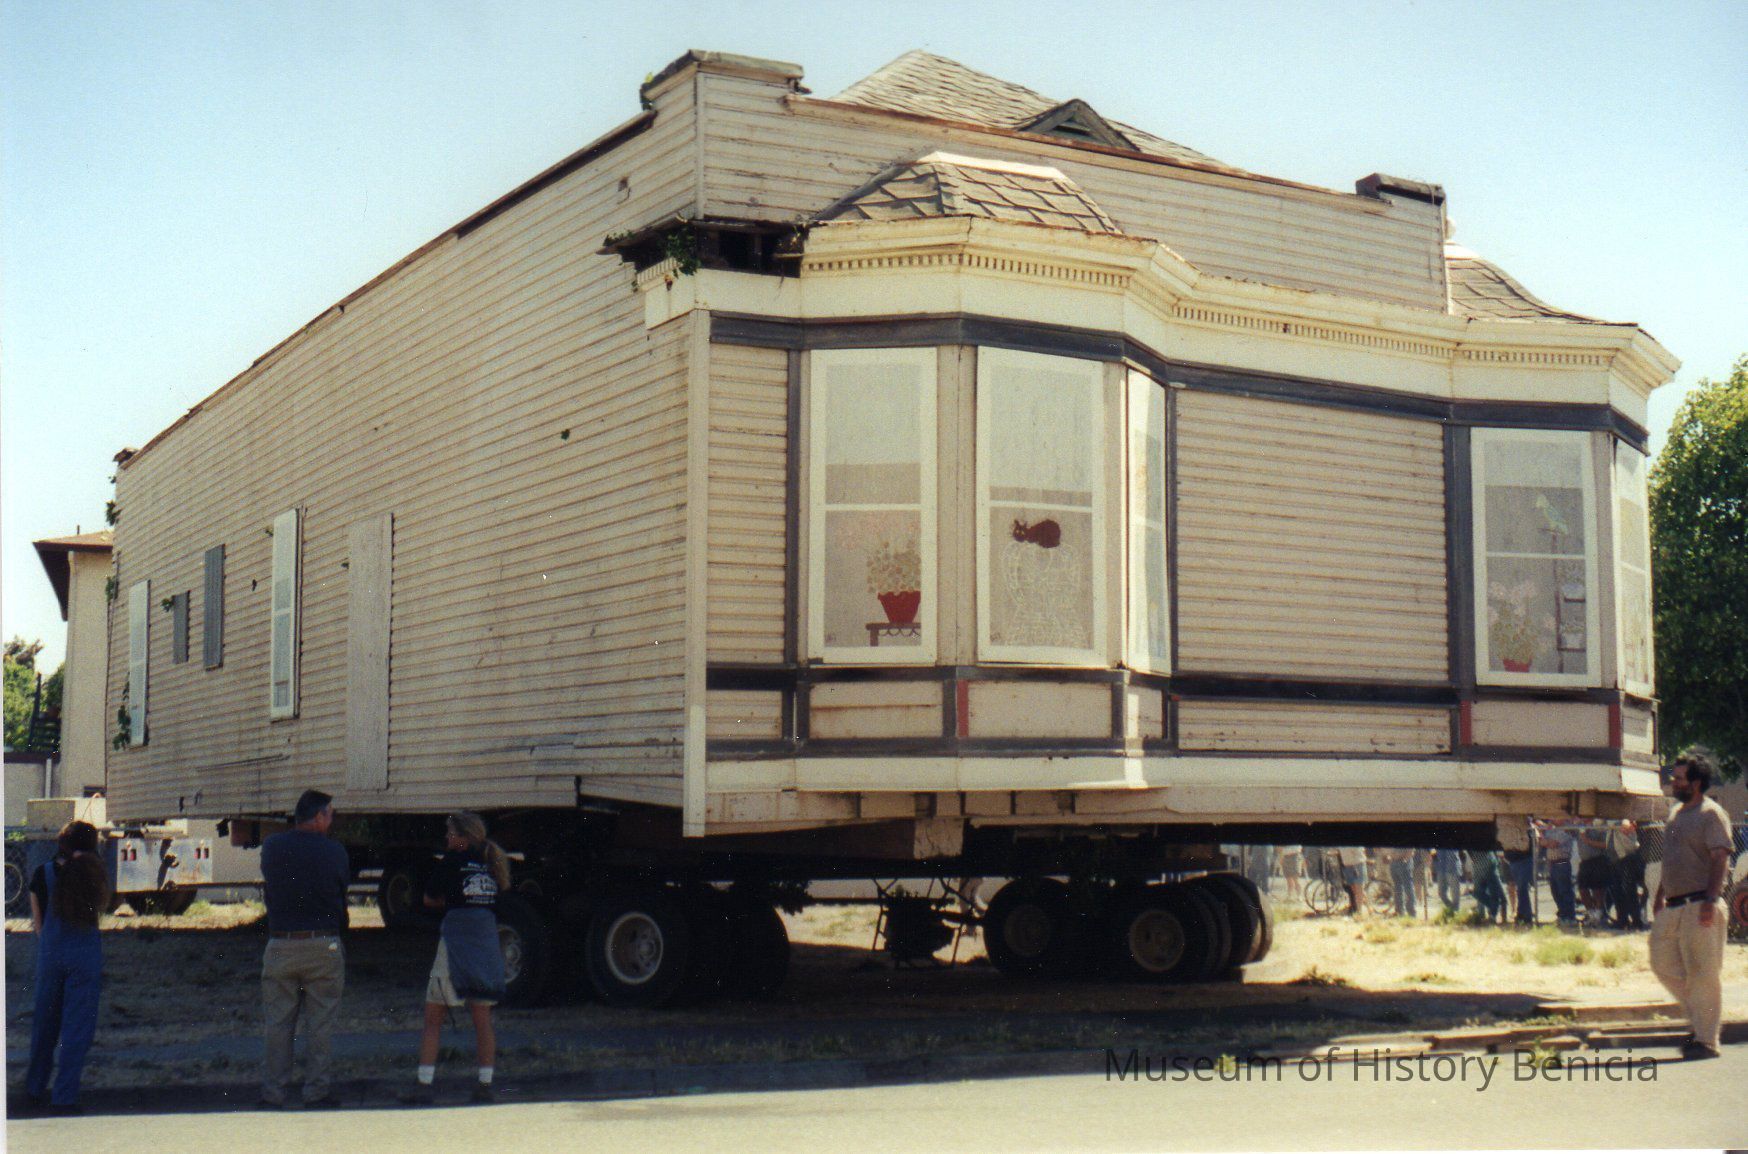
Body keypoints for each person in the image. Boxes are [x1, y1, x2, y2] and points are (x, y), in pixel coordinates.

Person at [403, 812, 510, 1105]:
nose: (447, 838)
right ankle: (485, 1084)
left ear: (463, 837)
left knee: (433, 1016)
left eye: (450, 833)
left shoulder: (452, 861)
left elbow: (429, 898)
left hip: (455, 943)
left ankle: (424, 1084)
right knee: (482, 1018)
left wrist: (451, 900)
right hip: (484, 946)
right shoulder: (491, 862)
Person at [259, 789, 350, 1109]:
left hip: (281, 941)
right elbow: (340, 892)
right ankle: (317, 1091)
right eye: (330, 815)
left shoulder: (272, 847)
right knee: (320, 1023)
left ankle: (274, 1093)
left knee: (278, 1023)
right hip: (323, 941)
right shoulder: (335, 851)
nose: (331, 821)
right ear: (319, 816)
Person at [1648, 755, 1733, 1060]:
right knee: (1661, 963)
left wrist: (1711, 900)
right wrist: (1660, 894)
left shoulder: (1711, 814)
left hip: (1700, 904)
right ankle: (1701, 1019)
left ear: (1696, 783)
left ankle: (1707, 1041)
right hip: (1673, 905)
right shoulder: (1676, 814)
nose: (1673, 783)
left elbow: (1720, 857)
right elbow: (1671, 860)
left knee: (1703, 974)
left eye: (1679, 779)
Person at [23, 821, 110, 1114]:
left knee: (44, 1025)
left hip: (52, 953)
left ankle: (34, 1088)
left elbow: (38, 924)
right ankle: (64, 1097)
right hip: (84, 954)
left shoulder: (43, 873)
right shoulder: (94, 872)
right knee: (77, 1028)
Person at [1607, 821, 1646, 929]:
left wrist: (1622, 823)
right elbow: (1599, 823)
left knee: (1629, 890)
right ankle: (1622, 920)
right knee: (1617, 891)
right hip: (1613, 860)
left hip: (1627, 858)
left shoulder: (1626, 821)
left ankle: (1636, 921)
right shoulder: (1610, 821)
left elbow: (1632, 844)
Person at [1540, 821, 1578, 925]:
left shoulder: (1566, 830)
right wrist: (1546, 840)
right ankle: (1562, 914)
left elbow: (1553, 844)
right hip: (1552, 863)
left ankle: (1570, 917)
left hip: (1562, 862)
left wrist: (1546, 841)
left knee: (1564, 890)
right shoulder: (1553, 830)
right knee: (1555, 891)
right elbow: (1542, 842)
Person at [1576, 822, 1614, 925]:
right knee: (1582, 889)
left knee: (1598, 890)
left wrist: (1587, 840)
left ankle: (1599, 914)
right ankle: (1590, 914)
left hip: (1598, 860)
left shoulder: (1599, 826)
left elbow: (1605, 844)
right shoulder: (1579, 826)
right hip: (1585, 861)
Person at [1470, 850, 1506, 923]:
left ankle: (1493, 914)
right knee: (1476, 892)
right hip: (1478, 866)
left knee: (1494, 892)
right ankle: (1496, 906)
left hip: (1489, 864)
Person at [1335, 846, 1368, 917]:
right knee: (1354, 890)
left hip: (1357, 865)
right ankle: (1368, 907)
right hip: (1347, 866)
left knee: (1359, 889)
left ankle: (1360, 912)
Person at [1385, 848, 1417, 917]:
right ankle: (1399, 912)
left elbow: (1411, 850)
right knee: (1397, 889)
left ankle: (1411, 913)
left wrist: (1405, 860)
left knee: (1408, 888)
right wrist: (1389, 857)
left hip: (1404, 863)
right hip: (1393, 863)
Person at [1433, 848, 1463, 915]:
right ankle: (1452, 910)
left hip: (1453, 867)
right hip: (1441, 868)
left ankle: (1456, 912)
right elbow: (1432, 851)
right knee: (1442, 894)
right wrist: (1433, 856)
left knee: (1455, 893)